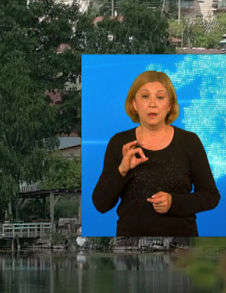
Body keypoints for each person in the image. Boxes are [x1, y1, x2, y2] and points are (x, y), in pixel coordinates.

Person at [92, 71, 219, 237]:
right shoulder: (118, 143)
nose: (152, 104)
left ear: (169, 105)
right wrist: (122, 171)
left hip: (181, 248)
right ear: (134, 104)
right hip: (130, 247)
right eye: (145, 96)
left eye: (160, 97)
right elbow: (101, 204)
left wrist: (174, 203)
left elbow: (211, 196)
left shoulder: (190, 142)